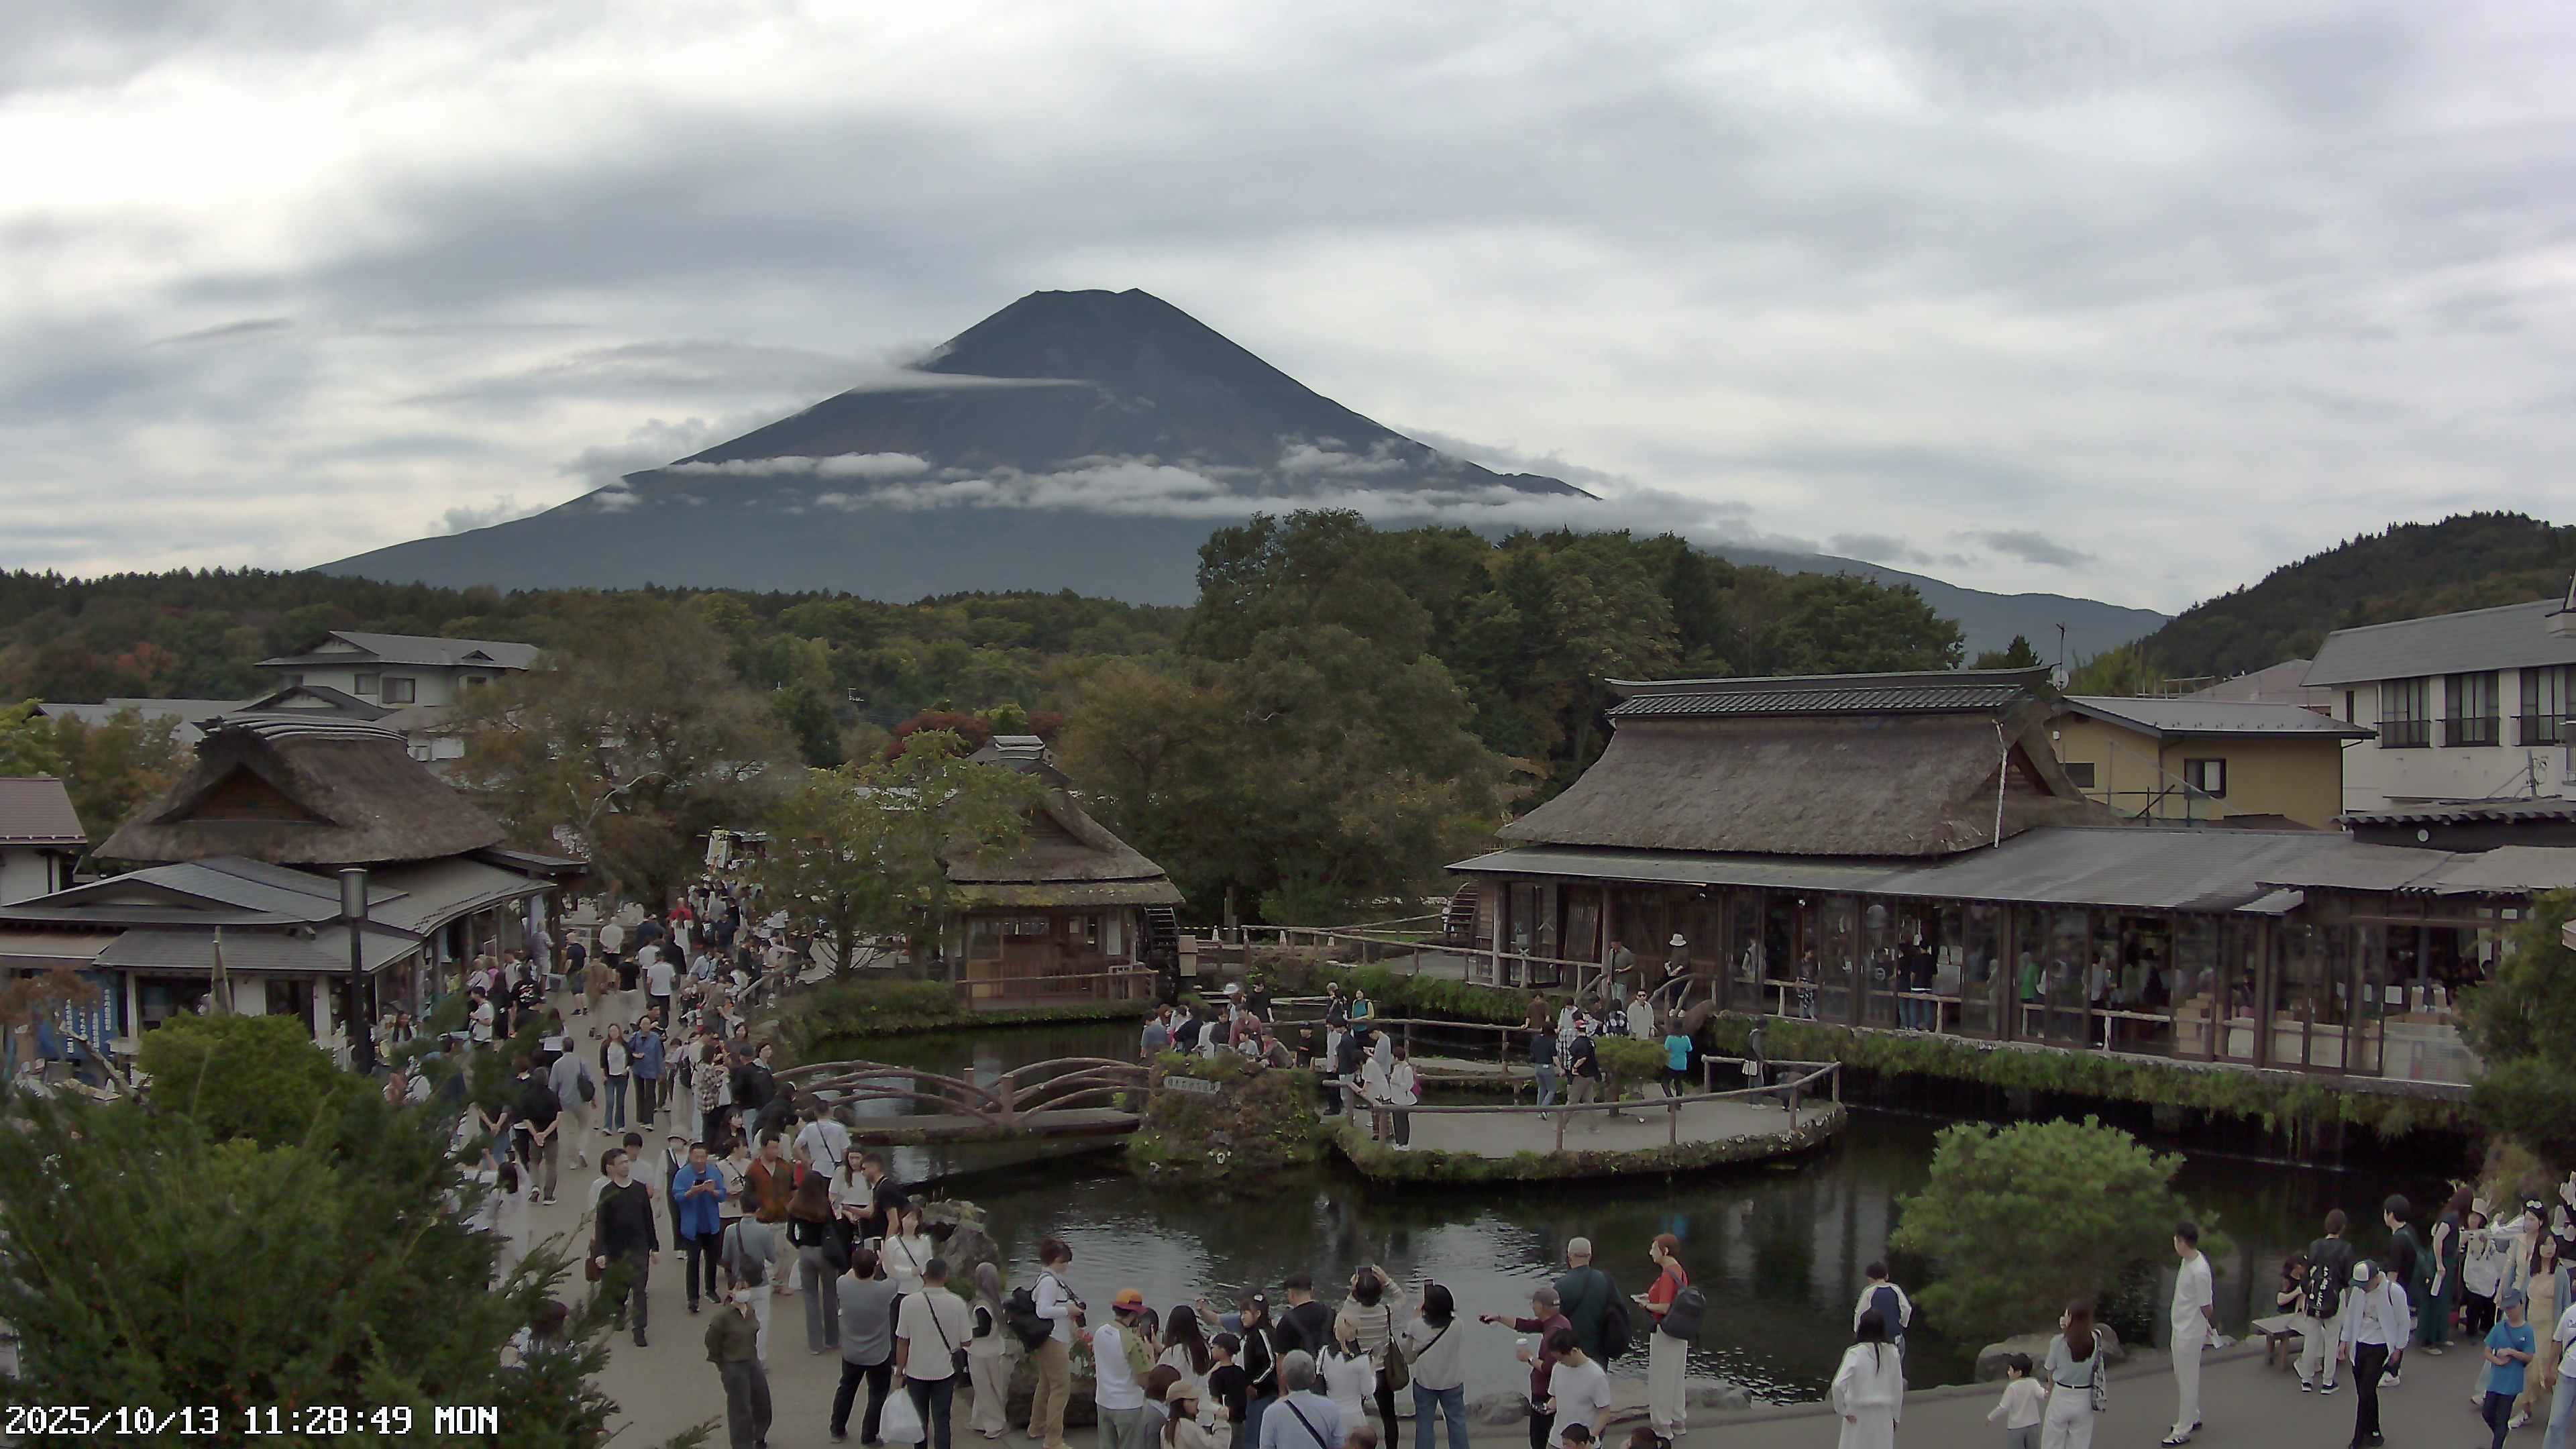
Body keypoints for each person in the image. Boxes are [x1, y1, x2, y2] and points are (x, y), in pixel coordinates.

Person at [1481, 1285, 1571, 1449]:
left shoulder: (1553, 1332)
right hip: (1553, 1391)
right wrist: (1498, 1318)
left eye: (1534, 1303)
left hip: (1546, 1393)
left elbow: (1549, 1368)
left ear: (1541, 1306)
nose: (1532, 1305)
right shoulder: (1557, 1321)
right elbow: (1525, 1325)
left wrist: (1528, 1358)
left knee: (1539, 1439)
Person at [897, 1256, 973, 1449]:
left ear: (924, 1276)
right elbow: (967, 1341)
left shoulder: (908, 1303)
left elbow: (902, 1341)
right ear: (945, 1276)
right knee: (942, 1419)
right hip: (944, 1372)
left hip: (916, 1370)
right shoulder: (957, 1303)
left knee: (919, 1420)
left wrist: (899, 1372)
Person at [590, 1148, 659, 1348]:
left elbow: (648, 1218)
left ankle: (639, 1329)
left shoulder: (639, 1189)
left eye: (627, 1162)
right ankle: (619, 1311)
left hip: (639, 1247)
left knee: (639, 1289)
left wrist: (654, 1246)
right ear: (611, 1168)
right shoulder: (607, 1192)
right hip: (616, 1249)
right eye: (621, 1163)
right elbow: (601, 1224)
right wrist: (600, 1252)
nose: (626, 1166)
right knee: (620, 1287)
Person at [832, 1244, 899, 1444]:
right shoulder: (884, 1290)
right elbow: (895, 1278)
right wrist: (884, 1259)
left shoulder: (842, 1285)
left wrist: (860, 1260)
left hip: (851, 1351)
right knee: (878, 1394)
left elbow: (850, 1273)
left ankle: (837, 1429)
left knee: (846, 1388)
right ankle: (869, 1435)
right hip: (878, 1353)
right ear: (875, 1268)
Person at [2339, 1259, 2408, 1449]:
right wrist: (2344, 1341)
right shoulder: (2359, 1291)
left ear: (2376, 1278)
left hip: (2381, 1347)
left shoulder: (2393, 1292)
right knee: (2366, 1392)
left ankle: (2358, 1439)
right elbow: (2351, 1315)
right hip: (2360, 1343)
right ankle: (2374, 1431)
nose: (2363, 1289)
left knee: (2366, 1392)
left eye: (2366, 1284)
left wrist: (2399, 1349)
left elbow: (2404, 1321)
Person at [1334, 1267, 1403, 1449]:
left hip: (1360, 1371)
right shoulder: (1385, 1312)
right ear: (1380, 1293)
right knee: (1389, 1416)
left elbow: (1342, 1313)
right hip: (1382, 1371)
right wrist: (1387, 1280)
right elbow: (1401, 1299)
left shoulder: (1351, 1316)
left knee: (1355, 1411)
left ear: (1357, 1293)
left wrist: (1352, 1289)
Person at [1030, 1236, 1085, 1449]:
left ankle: (1037, 1426)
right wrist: (1068, 1310)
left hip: (1050, 1338)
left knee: (1045, 1384)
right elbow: (1042, 1310)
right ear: (1054, 1260)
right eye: (1064, 1261)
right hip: (1053, 1339)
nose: (1067, 1265)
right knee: (1061, 1388)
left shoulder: (1050, 1279)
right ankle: (1053, 1439)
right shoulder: (1049, 1283)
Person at [2163, 1221, 2213, 1446]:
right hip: (2181, 1327)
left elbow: (2207, 1306)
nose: (2174, 1242)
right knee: (2182, 1376)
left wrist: (2205, 1324)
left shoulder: (2200, 1270)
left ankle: (2183, 1428)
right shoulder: (2188, 1261)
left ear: (2182, 1242)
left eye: (2176, 1239)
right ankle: (2192, 1415)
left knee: (2188, 1379)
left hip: (2190, 1332)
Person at [707, 1279, 773, 1449]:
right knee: (740, 1408)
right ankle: (742, 1445)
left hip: (752, 1361)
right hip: (734, 1365)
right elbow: (712, 1341)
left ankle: (759, 1435)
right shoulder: (722, 1318)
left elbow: (753, 1334)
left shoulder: (750, 1311)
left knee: (762, 1401)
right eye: (740, 1288)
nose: (744, 1291)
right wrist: (722, 1363)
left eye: (746, 1287)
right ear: (731, 1292)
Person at [1637, 1234, 1689, 1443]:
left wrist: (1645, 1305)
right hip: (1680, 1331)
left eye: (1654, 1249)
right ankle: (1678, 1420)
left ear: (1665, 1251)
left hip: (1665, 1332)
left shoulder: (1668, 1274)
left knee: (1661, 1378)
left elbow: (1665, 1307)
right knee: (1676, 1377)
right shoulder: (1680, 1272)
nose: (1651, 1253)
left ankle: (1661, 1426)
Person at [1401, 1283, 1466, 1449]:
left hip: (1425, 1382)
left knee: (1424, 1425)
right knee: (1457, 1423)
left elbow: (1408, 1358)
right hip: (1452, 1382)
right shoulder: (1458, 1324)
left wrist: (1416, 1315)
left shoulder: (1416, 1326)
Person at [2301, 1209, 2358, 1393]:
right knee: (2332, 1339)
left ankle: (2306, 1379)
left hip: (2313, 1294)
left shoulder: (2315, 1245)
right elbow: (2349, 1277)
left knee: (2311, 1339)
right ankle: (2328, 1381)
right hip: (2335, 1295)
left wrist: (2306, 1291)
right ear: (2342, 1228)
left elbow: (2306, 1272)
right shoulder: (2346, 1248)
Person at [1831, 1311, 1903, 1449]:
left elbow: (1838, 1385)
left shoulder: (1855, 1353)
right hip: (1883, 1414)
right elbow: (1897, 1388)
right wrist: (1895, 1416)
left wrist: (1843, 1411)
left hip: (1859, 1414)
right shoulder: (1892, 1352)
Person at [788, 1172, 841, 1354]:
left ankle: (815, 1345)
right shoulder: (824, 1205)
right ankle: (832, 1339)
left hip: (805, 1252)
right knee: (830, 1295)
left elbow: (790, 1234)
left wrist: (800, 1244)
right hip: (824, 1252)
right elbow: (835, 1229)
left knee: (810, 1298)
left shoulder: (796, 1205)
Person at [672, 1140, 728, 1313]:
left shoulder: (714, 1172)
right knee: (694, 1261)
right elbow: (677, 1196)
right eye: (696, 1157)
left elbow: (722, 1195)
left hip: (711, 1224)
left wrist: (712, 1191)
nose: (699, 1160)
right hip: (692, 1226)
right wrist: (691, 1192)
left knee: (712, 1259)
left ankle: (711, 1290)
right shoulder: (683, 1174)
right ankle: (693, 1298)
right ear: (690, 1157)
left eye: (703, 1157)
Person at [1097, 1289, 1157, 1449]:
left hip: (1103, 1401)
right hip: (1128, 1406)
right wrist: (1149, 1354)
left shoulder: (1100, 1332)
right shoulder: (1133, 1342)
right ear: (1134, 1315)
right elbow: (1143, 1380)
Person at [721, 1208, 782, 1362]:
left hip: (739, 1284)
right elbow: (773, 1258)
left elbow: (725, 1257)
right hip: (760, 1282)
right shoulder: (764, 1231)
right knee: (762, 1321)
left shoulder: (730, 1231)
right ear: (758, 1210)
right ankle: (759, 1359)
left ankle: (739, 1356)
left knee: (737, 1322)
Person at [2039, 1303, 2102, 1449]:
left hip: (2061, 1394)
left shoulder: (2058, 1341)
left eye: (2066, 1315)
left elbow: (2050, 1368)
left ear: (2071, 1318)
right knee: (2080, 1442)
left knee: (2052, 1442)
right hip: (2085, 1397)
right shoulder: (2096, 1340)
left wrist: (2050, 1386)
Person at [968, 1263, 1017, 1441]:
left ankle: (993, 1426)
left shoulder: (981, 1304)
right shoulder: (996, 1300)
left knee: (984, 1390)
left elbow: (982, 1330)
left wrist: (964, 1333)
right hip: (995, 1350)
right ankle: (980, 1421)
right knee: (994, 1388)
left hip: (980, 1352)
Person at [2484, 1289, 2538, 1449]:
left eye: (2512, 1307)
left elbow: (2529, 1356)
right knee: (2487, 1412)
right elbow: (2487, 1351)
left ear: (2521, 1305)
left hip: (2512, 1383)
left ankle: (2498, 1443)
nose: (2509, 1312)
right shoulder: (2500, 1327)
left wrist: (2512, 1353)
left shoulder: (2527, 1330)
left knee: (2502, 1417)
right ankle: (2501, 1434)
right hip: (2495, 1381)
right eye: (2507, 1308)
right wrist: (2497, 1360)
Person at [1260, 1351, 1345, 1449]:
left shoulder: (1271, 1412)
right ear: (1313, 1377)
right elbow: (1339, 1445)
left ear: (1283, 1378)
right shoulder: (1331, 1407)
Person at [1540, 1329, 1608, 1449]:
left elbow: (1604, 1412)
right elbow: (1556, 1397)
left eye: (1562, 1359)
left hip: (1582, 1443)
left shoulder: (1596, 1375)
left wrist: (1591, 1438)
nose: (1560, 1362)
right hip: (1557, 1439)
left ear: (1574, 1351)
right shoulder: (1558, 1368)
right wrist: (1548, 1407)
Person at [1553, 1239, 1617, 1362]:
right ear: (1590, 1256)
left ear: (1569, 1257)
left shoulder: (1560, 1286)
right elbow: (1617, 1312)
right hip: (1600, 1353)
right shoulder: (1606, 1281)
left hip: (1571, 1354)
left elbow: (1556, 1322)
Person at [515, 1057, 566, 1203]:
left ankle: (535, 1187)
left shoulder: (527, 1096)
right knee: (551, 1164)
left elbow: (526, 1119)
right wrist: (545, 1133)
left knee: (534, 1163)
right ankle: (548, 1195)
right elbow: (558, 1118)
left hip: (533, 1135)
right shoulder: (552, 1096)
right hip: (551, 1136)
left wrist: (536, 1134)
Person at [547, 1042, 598, 1171]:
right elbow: (590, 1081)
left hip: (565, 1102)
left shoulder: (557, 1065)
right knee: (584, 1127)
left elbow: (552, 1087)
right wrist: (593, 1098)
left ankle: (572, 1161)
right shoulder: (582, 1061)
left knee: (570, 1131)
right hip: (582, 1100)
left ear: (563, 1048)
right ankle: (582, 1151)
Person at [1316, 1324, 1375, 1434]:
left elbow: (1320, 1374)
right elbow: (1368, 1392)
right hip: (1354, 1416)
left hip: (1331, 1415)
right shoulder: (1362, 1360)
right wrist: (1373, 1373)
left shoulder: (1324, 1352)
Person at [2544, 1274, 2576, 1449]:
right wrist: (2549, 1368)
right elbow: (2557, 1341)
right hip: (2567, 1374)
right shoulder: (2570, 1313)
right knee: (2556, 1423)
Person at [1854, 1263, 1912, 1357]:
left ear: (1870, 1278)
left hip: (1875, 1340)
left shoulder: (1869, 1291)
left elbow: (1860, 1314)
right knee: (1896, 1368)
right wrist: (1902, 1324)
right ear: (1887, 1276)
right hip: (1895, 1338)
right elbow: (1906, 1309)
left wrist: (1858, 1332)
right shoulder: (1896, 1289)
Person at [1988, 1352, 2044, 1449]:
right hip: (2033, 1425)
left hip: (2016, 1427)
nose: (2008, 1372)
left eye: (2010, 1369)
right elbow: (2042, 1394)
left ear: (2019, 1373)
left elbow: (2004, 1407)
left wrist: (1990, 1417)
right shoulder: (2033, 1382)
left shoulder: (2012, 1387)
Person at [1162, 1303, 1216, 1401]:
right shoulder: (1205, 1347)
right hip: (1202, 1399)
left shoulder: (1173, 1352)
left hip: (1181, 1402)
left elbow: (1159, 1376)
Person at [883, 1200, 936, 1295]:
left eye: (914, 1219)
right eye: (907, 1218)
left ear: (918, 1222)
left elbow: (928, 1261)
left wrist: (922, 1271)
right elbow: (887, 1268)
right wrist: (909, 1272)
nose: (910, 1222)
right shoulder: (892, 1242)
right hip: (898, 1290)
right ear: (902, 1219)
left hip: (918, 1289)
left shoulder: (925, 1241)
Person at [631, 1018, 663, 1128]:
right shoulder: (635, 1036)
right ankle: (641, 1118)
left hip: (651, 1069)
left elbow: (659, 1055)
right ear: (640, 1025)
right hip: (638, 1068)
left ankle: (649, 1120)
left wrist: (660, 1071)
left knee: (650, 1094)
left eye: (648, 1024)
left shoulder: (655, 1038)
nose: (646, 1026)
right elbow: (628, 1049)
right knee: (639, 1093)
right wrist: (634, 1055)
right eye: (644, 1024)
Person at [600, 1022, 631, 1134]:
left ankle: (620, 1125)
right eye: (611, 1031)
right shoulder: (605, 1046)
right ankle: (607, 1126)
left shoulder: (625, 1045)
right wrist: (603, 1075)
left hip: (622, 1077)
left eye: (615, 1031)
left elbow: (631, 1060)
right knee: (610, 1101)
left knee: (620, 1101)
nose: (614, 1033)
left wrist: (626, 1070)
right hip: (610, 1077)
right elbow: (602, 1062)